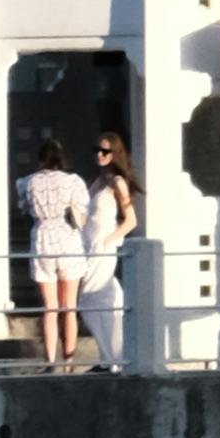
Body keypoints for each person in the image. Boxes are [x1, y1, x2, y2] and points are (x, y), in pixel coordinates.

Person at [77, 127, 137, 369]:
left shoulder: (117, 182)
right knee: (102, 302)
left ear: (115, 153)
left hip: (102, 248)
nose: (100, 155)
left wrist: (108, 241)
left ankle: (110, 359)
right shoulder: (98, 180)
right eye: (97, 150)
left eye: (105, 151)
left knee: (88, 301)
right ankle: (108, 358)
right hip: (88, 247)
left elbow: (131, 220)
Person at [21, 147, 86, 365]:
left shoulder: (27, 182)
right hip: (68, 239)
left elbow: (24, 209)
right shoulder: (73, 181)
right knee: (69, 307)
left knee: (49, 307)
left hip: (41, 239)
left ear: (40, 160)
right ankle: (68, 361)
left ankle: (50, 361)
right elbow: (81, 215)